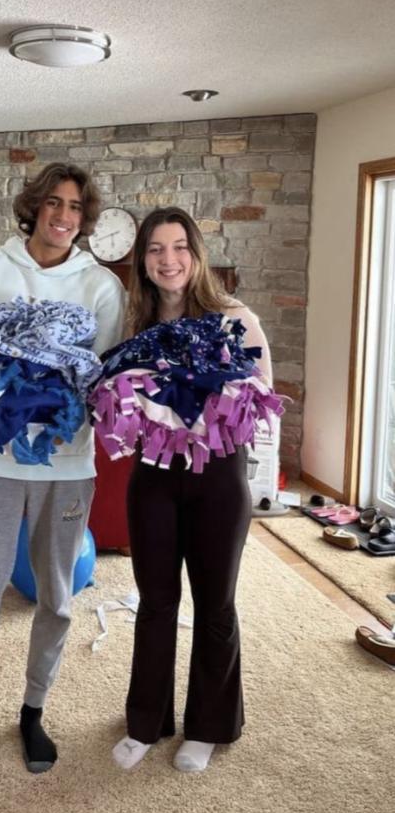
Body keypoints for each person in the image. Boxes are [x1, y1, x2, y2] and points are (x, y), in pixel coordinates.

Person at [0, 163, 126, 787]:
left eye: (74, 207)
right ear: (33, 208)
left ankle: (33, 711)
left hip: (68, 468)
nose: (63, 216)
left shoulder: (101, 286)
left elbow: (101, 379)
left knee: (57, 597)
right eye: (53, 203)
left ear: (84, 218)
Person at [110, 206, 273, 774]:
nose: (169, 259)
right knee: (155, 602)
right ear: (142, 261)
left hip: (219, 480)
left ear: (196, 255)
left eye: (179, 246)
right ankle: (146, 721)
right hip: (153, 480)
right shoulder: (134, 326)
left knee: (215, 603)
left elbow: (262, 399)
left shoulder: (236, 318)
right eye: (156, 249)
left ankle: (209, 726)